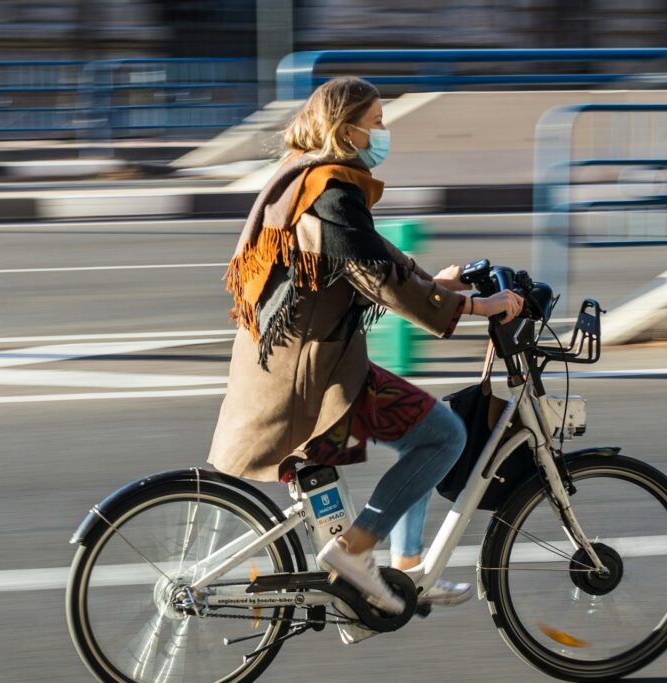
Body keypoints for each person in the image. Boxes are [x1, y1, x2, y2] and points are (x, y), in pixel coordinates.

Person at [208, 77, 523, 618]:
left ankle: (404, 571)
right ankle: (356, 551)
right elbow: (374, 275)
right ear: (346, 128)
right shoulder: (332, 188)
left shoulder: (307, 172)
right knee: (445, 436)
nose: (383, 132)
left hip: (299, 359)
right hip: (308, 372)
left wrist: (436, 283)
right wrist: (475, 309)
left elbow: (369, 251)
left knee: (421, 432)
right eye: (376, 121)